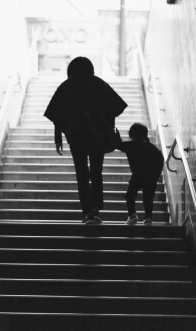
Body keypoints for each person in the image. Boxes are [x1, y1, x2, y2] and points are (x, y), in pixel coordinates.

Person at [43, 56, 127, 223]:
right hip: (98, 134)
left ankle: (87, 212)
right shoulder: (98, 83)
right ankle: (96, 210)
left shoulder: (66, 86)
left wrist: (58, 138)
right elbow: (114, 108)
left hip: (76, 135)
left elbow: (58, 115)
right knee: (96, 172)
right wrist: (109, 129)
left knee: (81, 172)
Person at [114, 123, 164, 224]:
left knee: (130, 195)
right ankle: (148, 218)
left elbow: (118, 145)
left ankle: (132, 215)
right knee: (148, 198)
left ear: (132, 135)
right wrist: (156, 176)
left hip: (138, 175)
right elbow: (160, 161)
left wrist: (116, 135)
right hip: (151, 177)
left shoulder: (132, 145)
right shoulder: (153, 149)